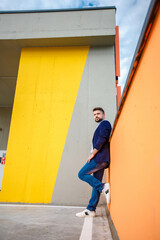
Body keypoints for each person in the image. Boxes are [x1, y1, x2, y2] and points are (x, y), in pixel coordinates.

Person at [76, 107, 112, 217]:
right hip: (101, 160)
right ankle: (91, 210)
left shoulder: (105, 123)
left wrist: (93, 154)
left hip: (99, 158)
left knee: (81, 174)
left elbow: (102, 138)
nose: (96, 116)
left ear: (103, 115)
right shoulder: (101, 125)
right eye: (94, 114)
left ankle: (103, 187)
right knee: (95, 183)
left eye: (98, 114)